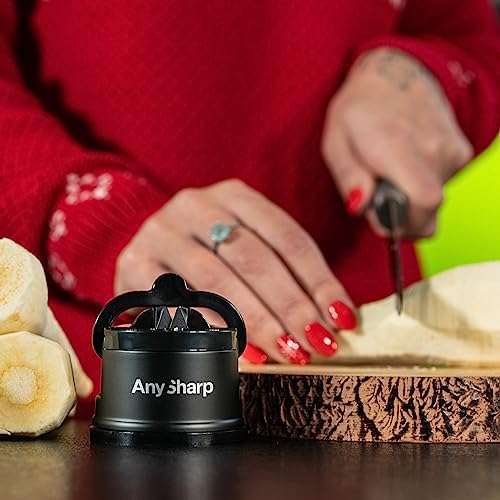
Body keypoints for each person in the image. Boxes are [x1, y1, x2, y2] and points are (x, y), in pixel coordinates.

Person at [1, 1, 499, 405]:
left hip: (384, 376)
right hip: (102, 379)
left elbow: (464, 32)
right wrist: (99, 217)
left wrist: (418, 74)